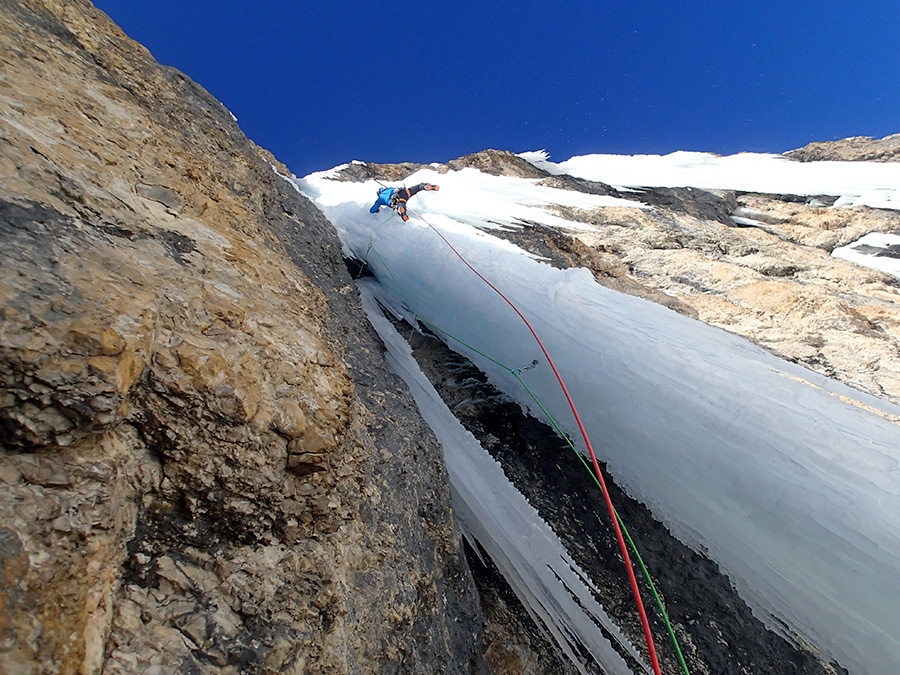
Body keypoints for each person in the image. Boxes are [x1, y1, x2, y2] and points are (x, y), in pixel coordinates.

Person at [370, 183, 439, 221]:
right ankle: (425, 186)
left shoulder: (379, 199)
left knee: (400, 204)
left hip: (395, 200)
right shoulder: (388, 188)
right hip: (404, 192)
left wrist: (377, 210)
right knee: (418, 187)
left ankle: (401, 210)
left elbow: (372, 210)